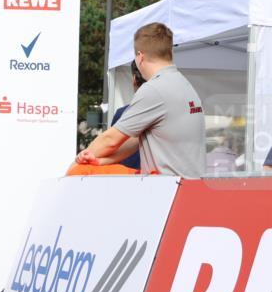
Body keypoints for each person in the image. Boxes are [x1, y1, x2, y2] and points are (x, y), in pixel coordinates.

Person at [75, 22, 205, 178]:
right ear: (170, 52)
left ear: (140, 57)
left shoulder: (154, 89)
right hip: (189, 185)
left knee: (77, 171)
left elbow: (110, 140)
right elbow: (137, 140)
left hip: (168, 187)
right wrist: (102, 160)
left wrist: (79, 161)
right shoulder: (184, 85)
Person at [109, 62, 146, 172]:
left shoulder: (122, 114)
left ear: (134, 79)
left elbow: (111, 146)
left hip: (126, 177)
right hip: (160, 178)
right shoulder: (169, 113)